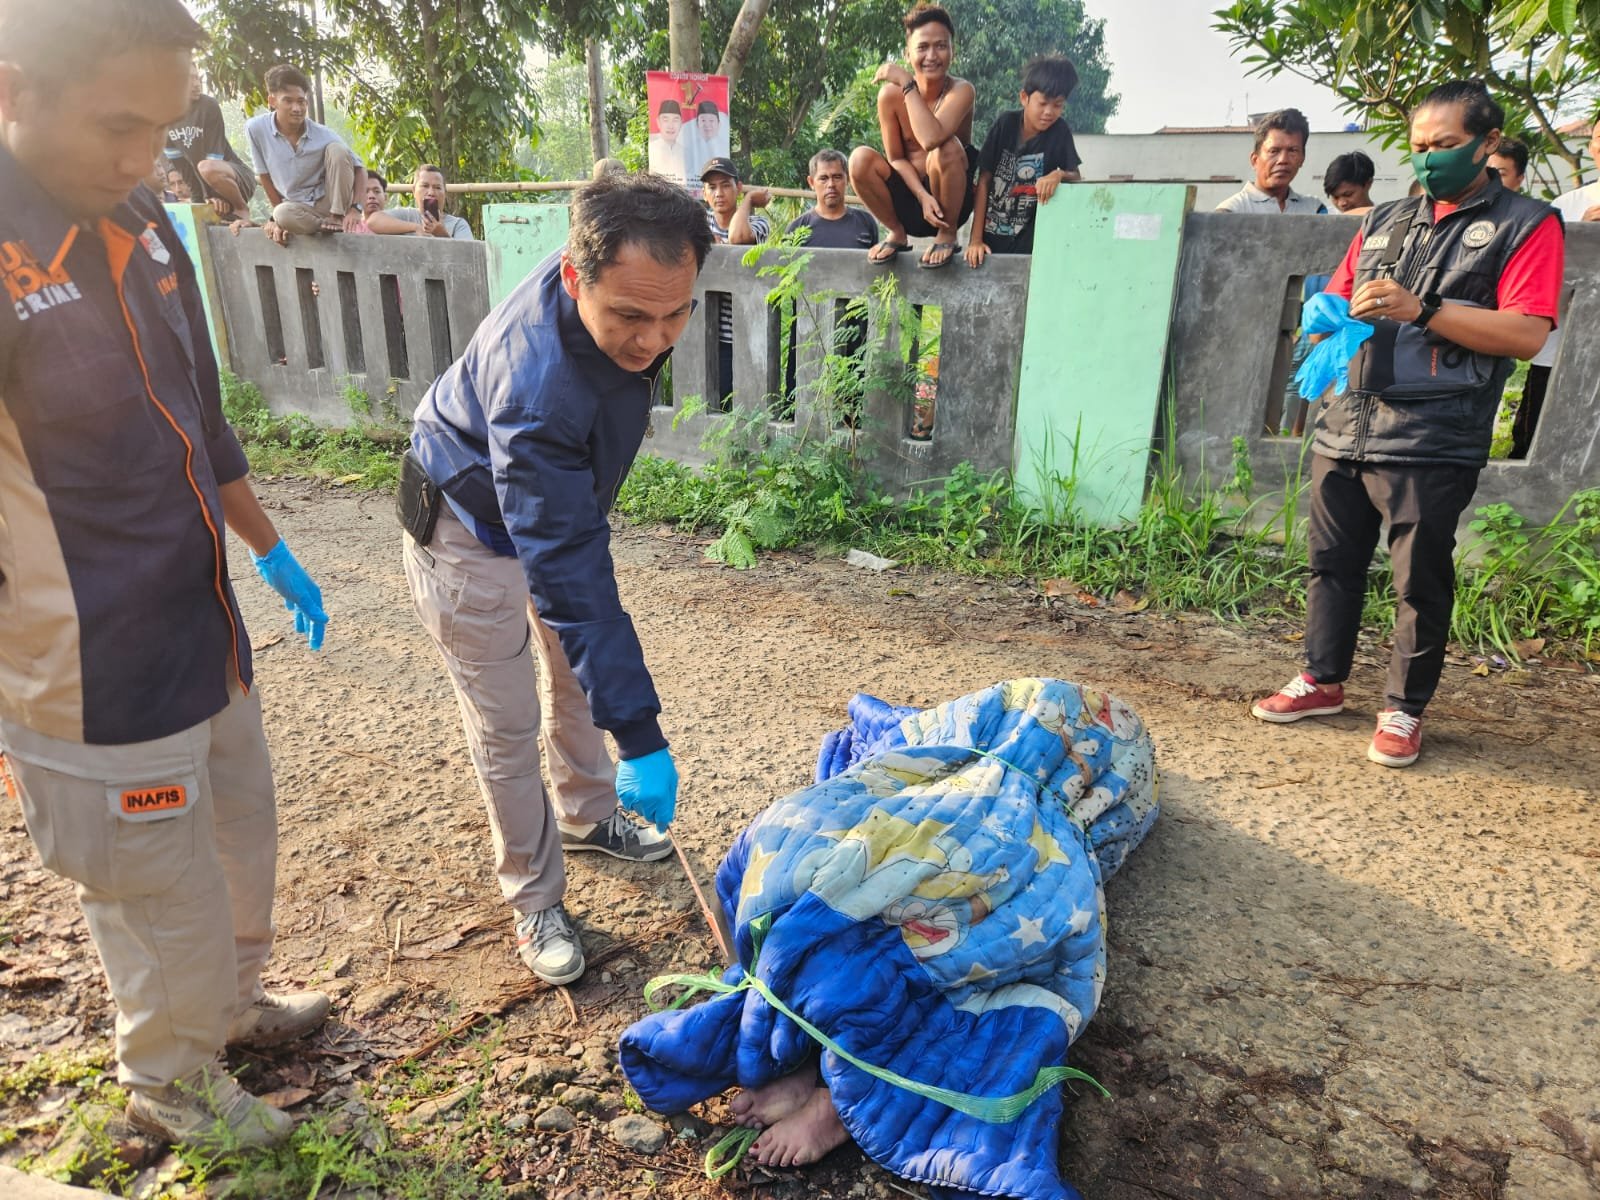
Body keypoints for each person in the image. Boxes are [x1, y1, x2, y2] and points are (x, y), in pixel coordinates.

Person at [0, 0, 333, 1150]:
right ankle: (171, 1079)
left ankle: (232, 1008)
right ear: (12, 93)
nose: (146, 159)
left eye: (169, 129)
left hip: (201, 620)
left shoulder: (143, 224)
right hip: (91, 661)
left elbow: (201, 414)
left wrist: (267, 547)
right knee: (152, 881)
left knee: (239, 828)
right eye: (117, 127)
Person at [403, 175, 711, 985]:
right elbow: (565, 559)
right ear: (575, 278)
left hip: (547, 510)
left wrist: (619, 711)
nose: (655, 339)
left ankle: (589, 814)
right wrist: (641, 734)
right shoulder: (539, 392)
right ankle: (534, 897)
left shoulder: (612, 261)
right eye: (633, 318)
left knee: (576, 678)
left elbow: (570, 551)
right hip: (467, 527)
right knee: (506, 725)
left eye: (674, 313)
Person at [1252, 81, 1564, 768]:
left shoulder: (1525, 223)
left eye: (1444, 146)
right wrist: (1326, 311)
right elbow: (1336, 288)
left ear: (1486, 143)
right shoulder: (1385, 218)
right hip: (1347, 421)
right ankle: (1322, 679)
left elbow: (1526, 332)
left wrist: (1420, 309)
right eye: (1419, 147)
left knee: (1418, 581)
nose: (1428, 160)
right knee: (1330, 565)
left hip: (1432, 433)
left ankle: (1402, 709)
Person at [849, 3, 977, 269]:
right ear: (908, 54)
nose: (932, 55)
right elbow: (896, 158)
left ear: (952, 50)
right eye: (923, 47)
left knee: (945, 148)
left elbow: (931, 139)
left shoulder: (961, 91)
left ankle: (947, 235)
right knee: (859, 159)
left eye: (941, 46)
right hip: (911, 200)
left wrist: (907, 83)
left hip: (951, 203)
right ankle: (896, 232)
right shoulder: (889, 97)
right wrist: (921, 196)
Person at [1514, 118, 1598, 458]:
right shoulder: (1567, 206)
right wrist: (1581, 238)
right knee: (1537, 444)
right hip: (1561, 351)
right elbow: (1539, 281)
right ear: (1591, 146)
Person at [965, 53, 1082, 267]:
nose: (1049, 112)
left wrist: (1058, 175)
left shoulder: (1060, 131)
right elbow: (984, 180)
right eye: (1043, 103)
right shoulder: (1005, 124)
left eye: (1057, 105)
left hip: (1030, 245)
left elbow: (1076, 176)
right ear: (1024, 97)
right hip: (990, 240)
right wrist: (975, 240)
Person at [245, 63, 367, 246]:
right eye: (288, 101)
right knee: (281, 213)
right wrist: (276, 220)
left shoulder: (323, 134)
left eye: (301, 101)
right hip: (297, 209)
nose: (296, 108)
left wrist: (356, 209)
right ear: (272, 101)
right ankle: (323, 227)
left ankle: (335, 220)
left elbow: (360, 170)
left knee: (337, 150)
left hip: (330, 203)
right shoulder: (255, 129)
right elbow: (264, 175)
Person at [702, 156, 770, 410]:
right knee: (708, 406)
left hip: (742, 332)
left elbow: (738, 237)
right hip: (706, 331)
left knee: (744, 407)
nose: (719, 193)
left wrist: (750, 201)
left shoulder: (757, 223)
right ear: (705, 193)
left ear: (738, 188)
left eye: (725, 185)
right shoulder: (698, 222)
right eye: (712, 187)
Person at [167, 62, 256, 219]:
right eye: (189, 79)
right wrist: (200, 200)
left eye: (197, 78)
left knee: (206, 166)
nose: (196, 84)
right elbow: (183, 167)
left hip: (235, 179)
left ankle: (241, 208)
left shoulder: (208, 105)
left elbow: (215, 156)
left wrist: (217, 197)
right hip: (206, 187)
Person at [1215, 109, 1326, 214]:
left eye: (1292, 150)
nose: (1283, 160)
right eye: (1274, 151)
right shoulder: (1231, 211)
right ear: (1255, 160)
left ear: (1302, 158)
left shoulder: (1315, 210)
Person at [786, 149, 879, 249]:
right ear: (811, 182)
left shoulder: (866, 222)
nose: (831, 184)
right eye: (823, 178)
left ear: (847, 179)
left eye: (837, 177)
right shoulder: (797, 229)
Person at [366, 164, 474, 240]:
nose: (431, 192)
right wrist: (415, 228)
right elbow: (372, 222)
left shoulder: (458, 225)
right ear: (414, 191)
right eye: (425, 186)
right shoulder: (406, 216)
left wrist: (443, 235)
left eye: (437, 187)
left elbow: (468, 257)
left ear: (445, 193)